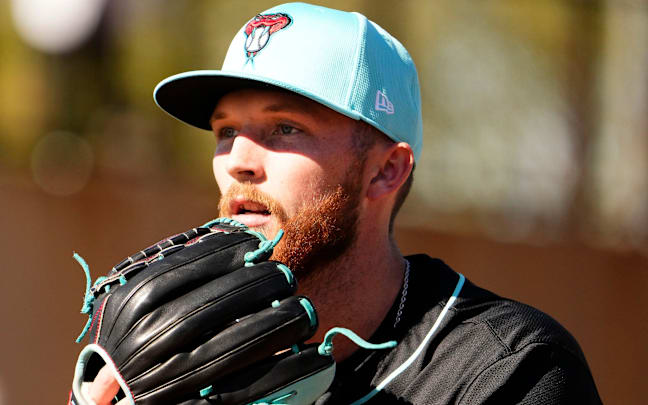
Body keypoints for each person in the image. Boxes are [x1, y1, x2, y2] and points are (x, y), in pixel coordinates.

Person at [80, 3, 602, 404]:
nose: (238, 160)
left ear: (386, 171)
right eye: (226, 130)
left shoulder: (507, 369)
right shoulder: (180, 358)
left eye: (285, 128)